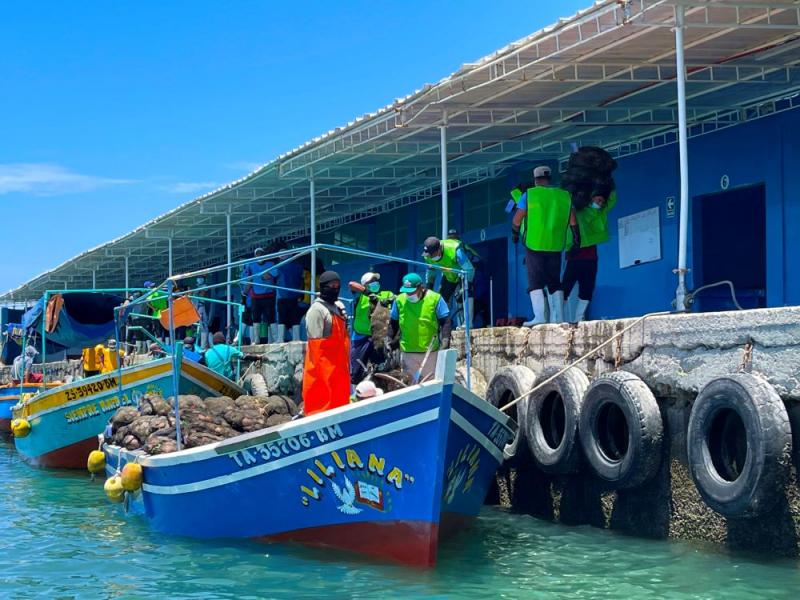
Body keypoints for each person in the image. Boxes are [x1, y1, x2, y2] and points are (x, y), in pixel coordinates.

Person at [511, 165, 571, 326]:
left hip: (534, 244)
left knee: (535, 281)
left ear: (535, 180)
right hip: (556, 245)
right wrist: (576, 235)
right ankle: (559, 318)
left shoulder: (529, 195)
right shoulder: (563, 195)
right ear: (549, 178)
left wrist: (515, 233)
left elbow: (517, 220)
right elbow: (572, 220)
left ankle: (540, 317)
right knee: (554, 281)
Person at [562, 191, 618, 322]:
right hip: (574, 253)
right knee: (565, 287)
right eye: (598, 200)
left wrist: (608, 185)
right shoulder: (577, 211)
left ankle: (578, 317)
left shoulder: (600, 212)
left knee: (587, 288)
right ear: (591, 199)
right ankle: (558, 316)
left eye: (602, 202)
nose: (600, 203)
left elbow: (612, 199)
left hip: (590, 256)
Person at [302, 271, 351, 415]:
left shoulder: (338, 308)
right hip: (323, 372)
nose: (335, 288)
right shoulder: (316, 310)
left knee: (341, 402)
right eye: (331, 285)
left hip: (340, 369)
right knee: (323, 404)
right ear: (323, 287)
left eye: (337, 285)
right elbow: (316, 347)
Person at [388, 273, 451, 383]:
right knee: (409, 386)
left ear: (421, 288)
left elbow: (445, 321)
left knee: (430, 384)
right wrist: (388, 339)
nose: (409, 294)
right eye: (407, 292)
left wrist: (446, 340)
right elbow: (393, 323)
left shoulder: (435, 298)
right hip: (407, 352)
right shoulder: (399, 300)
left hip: (430, 352)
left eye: (412, 291)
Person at [348, 271, 394, 384]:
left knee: (381, 368)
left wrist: (389, 300)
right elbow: (351, 284)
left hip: (379, 337)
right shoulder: (360, 296)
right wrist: (367, 293)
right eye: (371, 281)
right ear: (365, 284)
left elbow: (397, 298)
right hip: (361, 337)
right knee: (355, 371)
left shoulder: (386, 293)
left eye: (376, 281)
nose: (375, 283)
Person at [422, 236, 474, 328]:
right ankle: (443, 325)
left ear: (438, 250)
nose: (429, 256)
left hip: (462, 272)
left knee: (465, 293)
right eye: (428, 254)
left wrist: (465, 287)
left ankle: (468, 324)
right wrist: (429, 288)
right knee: (441, 298)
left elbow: (469, 269)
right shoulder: (428, 255)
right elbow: (431, 272)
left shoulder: (455, 250)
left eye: (431, 254)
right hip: (448, 275)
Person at [241, 248, 276, 345]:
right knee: (256, 318)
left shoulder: (271, 264)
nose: (259, 256)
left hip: (269, 295)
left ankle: (274, 339)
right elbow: (248, 281)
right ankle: (256, 340)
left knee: (270, 318)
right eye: (257, 254)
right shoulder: (250, 265)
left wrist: (259, 277)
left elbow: (270, 275)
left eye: (261, 254)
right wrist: (244, 294)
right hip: (255, 296)